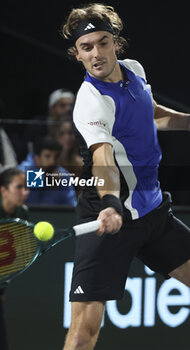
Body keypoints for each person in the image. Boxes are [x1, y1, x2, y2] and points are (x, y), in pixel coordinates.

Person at [62, 4, 190, 350]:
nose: (96, 53)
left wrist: (186, 121)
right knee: (82, 335)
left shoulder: (134, 71)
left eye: (103, 42)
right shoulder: (91, 101)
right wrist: (110, 204)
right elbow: (103, 158)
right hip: (108, 216)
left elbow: (147, 110)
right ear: (77, 54)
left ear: (116, 44)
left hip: (153, 212)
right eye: (87, 47)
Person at [0, 167, 29, 350]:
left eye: (26, 187)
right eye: (19, 187)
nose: (25, 192)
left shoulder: (22, 214)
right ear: (3, 190)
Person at [19, 136, 77, 206]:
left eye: (56, 157)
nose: (52, 161)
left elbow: (72, 206)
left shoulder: (63, 175)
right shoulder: (23, 170)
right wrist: (46, 179)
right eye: (47, 156)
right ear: (37, 158)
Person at [24, 88, 75, 155]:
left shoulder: (79, 127)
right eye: (63, 105)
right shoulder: (37, 126)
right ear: (52, 109)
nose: (68, 109)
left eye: (71, 106)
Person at [48, 113, 83, 196]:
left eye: (70, 133)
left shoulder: (80, 164)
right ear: (55, 135)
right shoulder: (48, 161)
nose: (67, 138)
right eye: (62, 133)